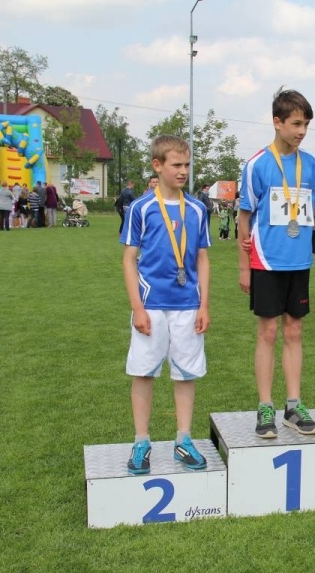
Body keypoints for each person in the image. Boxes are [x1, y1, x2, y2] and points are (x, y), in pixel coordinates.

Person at [120, 134, 211, 475]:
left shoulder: (198, 209)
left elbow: (202, 259)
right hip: (151, 304)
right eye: (176, 165)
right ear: (157, 166)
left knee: (186, 373)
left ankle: (183, 440)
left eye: (187, 164)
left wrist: (204, 305)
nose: (183, 171)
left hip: (188, 304)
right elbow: (129, 259)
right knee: (144, 371)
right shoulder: (141, 208)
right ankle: (141, 441)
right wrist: (137, 307)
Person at [238, 87, 315, 438]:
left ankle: (293, 405)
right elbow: (244, 216)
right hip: (267, 262)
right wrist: (244, 266)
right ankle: (264, 407)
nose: (302, 131)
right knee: (268, 332)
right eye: (296, 124)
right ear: (277, 122)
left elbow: (313, 211)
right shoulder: (257, 164)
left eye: (306, 125)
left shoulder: (311, 164)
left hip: (299, 262)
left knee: (294, 330)